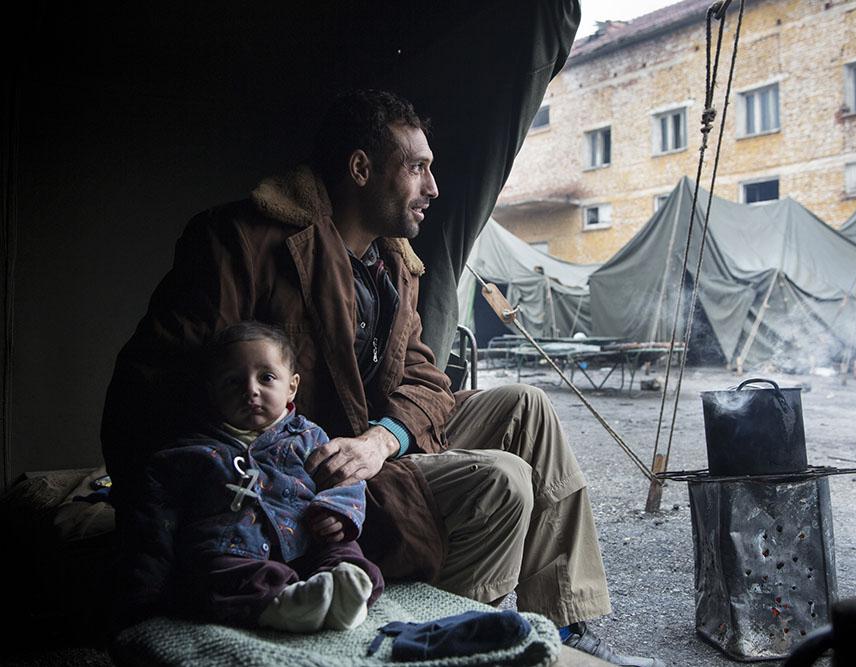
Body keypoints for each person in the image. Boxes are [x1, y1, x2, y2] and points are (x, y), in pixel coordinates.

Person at [103, 88, 662, 666]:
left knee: (528, 406)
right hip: (306, 473)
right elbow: (149, 389)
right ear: (362, 169)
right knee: (504, 479)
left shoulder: (392, 262)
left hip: (366, 445)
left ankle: (562, 627)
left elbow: (424, 377)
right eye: (417, 167)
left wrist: (383, 438)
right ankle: (454, 647)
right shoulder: (243, 241)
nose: (433, 188)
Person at [127, 321, 384, 632]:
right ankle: (283, 606)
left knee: (348, 554)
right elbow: (155, 521)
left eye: (267, 378)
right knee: (210, 575)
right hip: (233, 550)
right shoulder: (189, 452)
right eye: (233, 382)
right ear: (212, 391)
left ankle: (344, 594)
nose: (251, 390)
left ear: (292, 385)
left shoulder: (309, 437)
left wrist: (339, 513)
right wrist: (147, 589)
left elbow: (346, 478)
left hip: (307, 538)